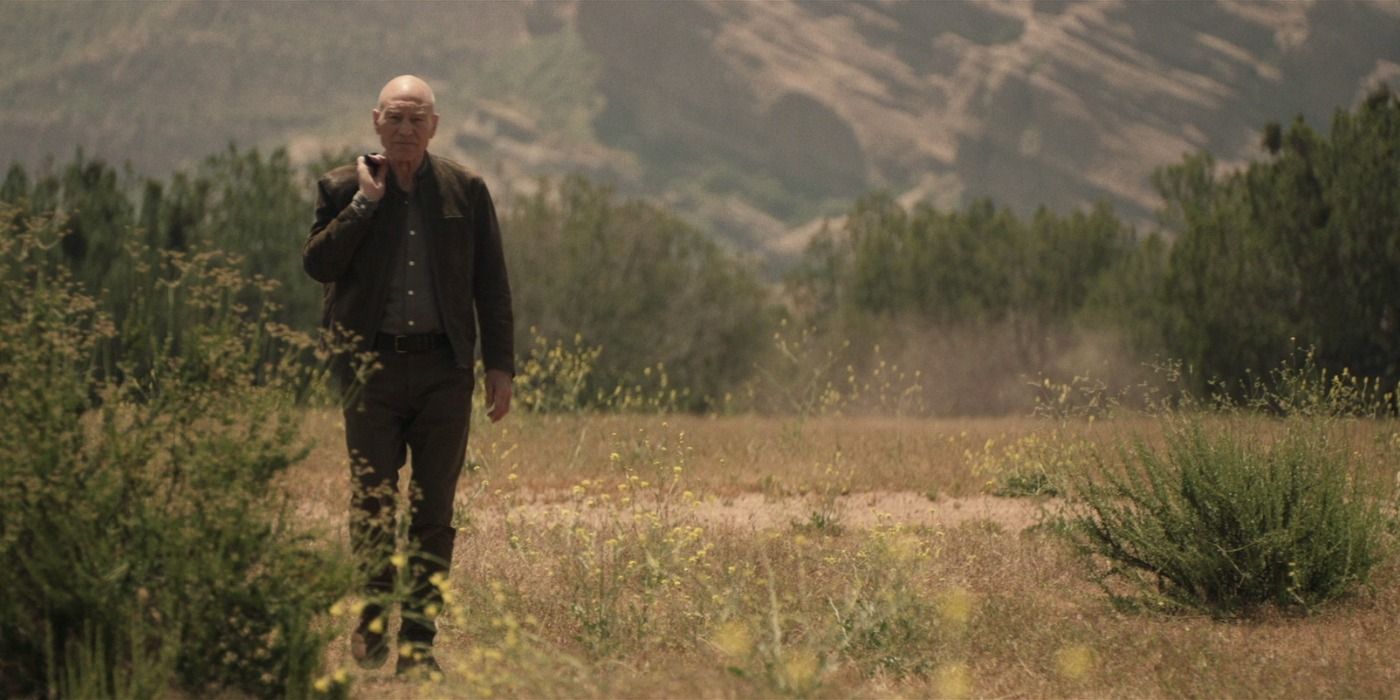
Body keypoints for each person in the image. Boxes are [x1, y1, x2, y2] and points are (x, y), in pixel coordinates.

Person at [302, 75, 515, 678]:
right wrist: (366, 204)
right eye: (395, 118)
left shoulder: (465, 190)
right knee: (372, 503)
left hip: (444, 373)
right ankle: (372, 622)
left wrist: (499, 366)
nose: (405, 129)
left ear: (434, 126)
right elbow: (319, 265)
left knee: (433, 510)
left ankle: (418, 644)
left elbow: (491, 285)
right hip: (369, 369)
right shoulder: (343, 187)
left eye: (416, 119)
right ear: (375, 121)